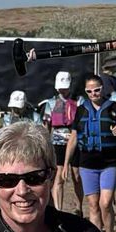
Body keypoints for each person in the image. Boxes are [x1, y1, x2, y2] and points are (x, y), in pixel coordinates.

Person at [61, 72, 116, 232]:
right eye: (90, 91)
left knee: (105, 203)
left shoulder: (115, 108)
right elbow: (73, 138)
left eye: (97, 90)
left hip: (110, 163)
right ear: (86, 92)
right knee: (93, 205)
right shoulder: (81, 110)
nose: (94, 94)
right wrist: (66, 164)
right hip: (87, 164)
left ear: (103, 89)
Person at [38, 70, 81, 211]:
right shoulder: (50, 103)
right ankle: (58, 210)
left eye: (65, 87)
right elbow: (46, 127)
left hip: (76, 142)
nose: (63, 90)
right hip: (57, 144)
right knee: (58, 177)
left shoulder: (79, 101)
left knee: (77, 176)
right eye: (60, 87)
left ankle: (79, 206)